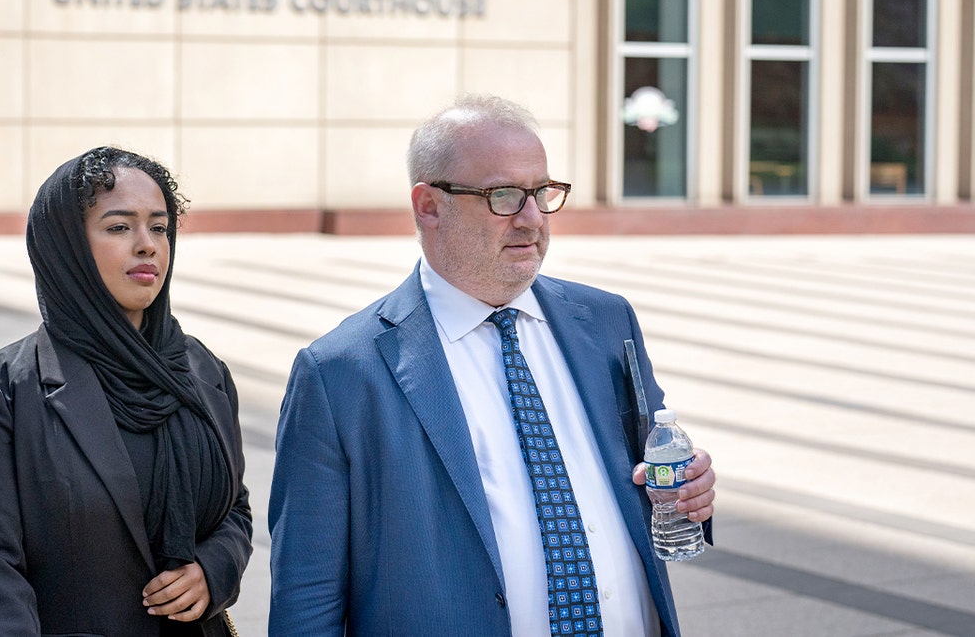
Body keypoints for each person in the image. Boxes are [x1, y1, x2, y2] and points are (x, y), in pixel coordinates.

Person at [268, 94, 714, 636]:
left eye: (542, 193)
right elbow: (307, 595)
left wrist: (685, 488)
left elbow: (657, 467)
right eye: (504, 195)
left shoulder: (605, 321)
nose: (532, 219)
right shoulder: (340, 372)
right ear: (428, 205)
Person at [0, 146, 251, 636]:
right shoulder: (4, 387)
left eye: (159, 227)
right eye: (118, 227)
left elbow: (233, 506)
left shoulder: (201, 370)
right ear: (65, 247)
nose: (147, 244)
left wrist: (213, 571)